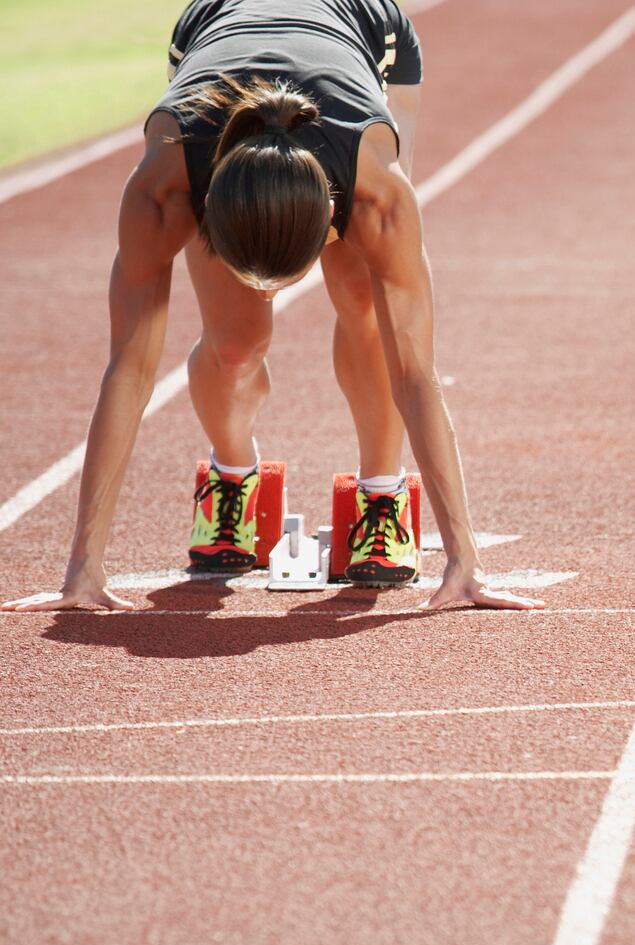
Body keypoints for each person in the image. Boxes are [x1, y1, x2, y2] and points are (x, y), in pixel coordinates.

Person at [4, 0, 536, 613]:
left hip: (365, 31)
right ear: (208, 212)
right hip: (214, 28)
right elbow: (130, 366)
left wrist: (465, 560)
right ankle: (232, 478)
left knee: (365, 295)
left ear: (332, 217)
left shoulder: (376, 194)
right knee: (234, 343)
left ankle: (381, 496)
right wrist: (82, 569)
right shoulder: (165, 182)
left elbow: (416, 371)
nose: (269, 293)